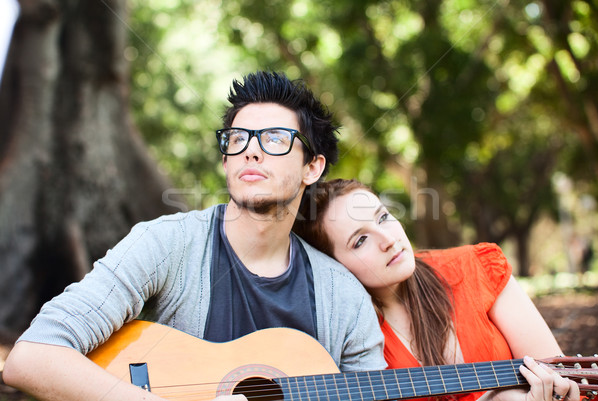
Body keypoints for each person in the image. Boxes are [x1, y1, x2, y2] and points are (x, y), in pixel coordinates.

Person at [2, 72, 387, 401]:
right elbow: (32, 356)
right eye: (237, 139)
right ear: (225, 160)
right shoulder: (166, 245)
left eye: (274, 139)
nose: (251, 151)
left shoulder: (344, 299)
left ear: (312, 167)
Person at [293, 178, 580, 401]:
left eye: (383, 218)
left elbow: (568, 382)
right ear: (335, 269)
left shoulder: (474, 267)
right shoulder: (349, 343)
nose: (388, 240)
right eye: (360, 241)